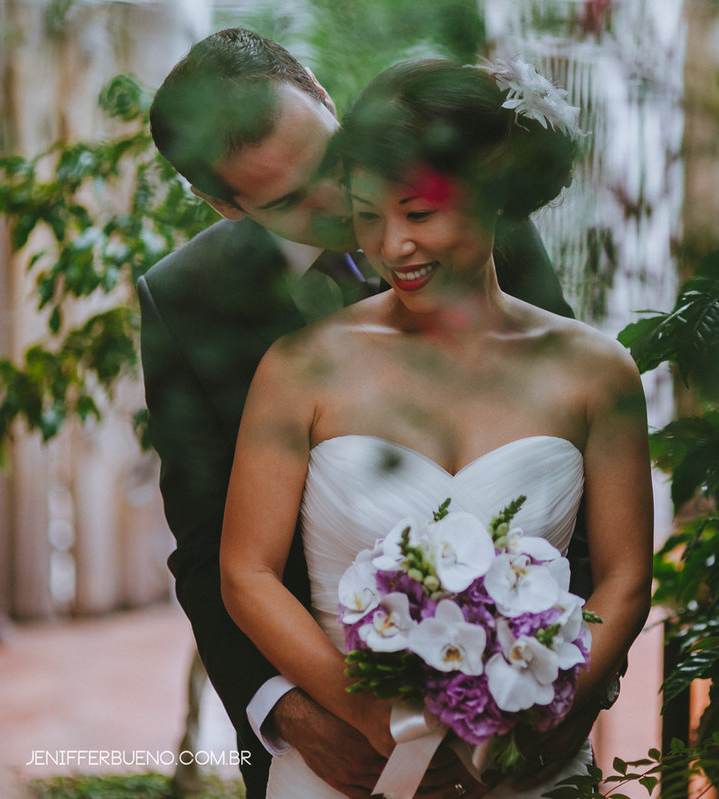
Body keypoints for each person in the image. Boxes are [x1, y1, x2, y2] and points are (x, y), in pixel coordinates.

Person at [137, 29, 581, 799]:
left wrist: (578, 688)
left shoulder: (469, 205)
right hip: (331, 742)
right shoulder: (186, 301)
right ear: (222, 202)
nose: (337, 202)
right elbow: (208, 546)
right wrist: (294, 715)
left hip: (525, 719)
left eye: (329, 161)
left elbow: (569, 444)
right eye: (285, 201)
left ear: (321, 92)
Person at [219, 57, 653, 799]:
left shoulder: (597, 373)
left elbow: (625, 574)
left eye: (418, 213)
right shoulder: (299, 368)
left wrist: (562, 703)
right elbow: (244, 571)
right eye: (367, 215)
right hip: (349, 766)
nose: (391, 246)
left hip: (533, 763)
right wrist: (362, 712)